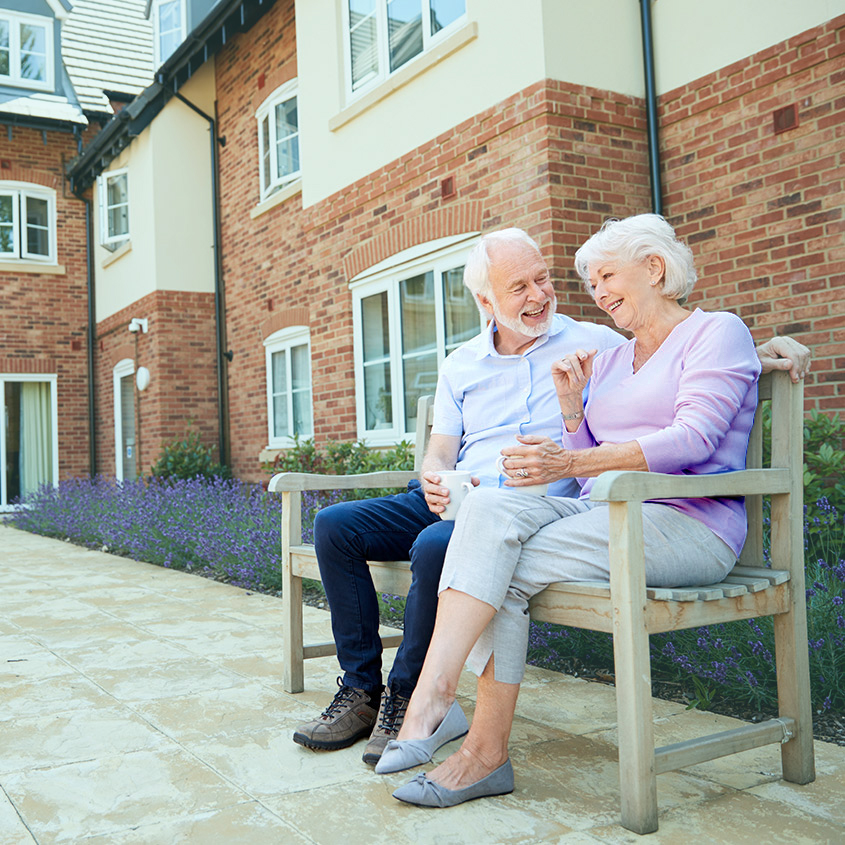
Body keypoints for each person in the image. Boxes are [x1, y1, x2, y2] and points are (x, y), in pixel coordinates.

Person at [293, 225, 810, 767]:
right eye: (520, 287)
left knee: (447, 548)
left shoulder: (598, 339)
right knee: (337, 526)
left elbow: (684, 360)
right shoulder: (479, 361)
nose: (540, 295)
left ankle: (416, 702)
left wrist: (759, 350)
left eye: (545, 279)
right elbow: (448, 449)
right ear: (486, 301)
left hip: (594, 509)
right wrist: (438, 473)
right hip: (478, 497)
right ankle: (369, 694)